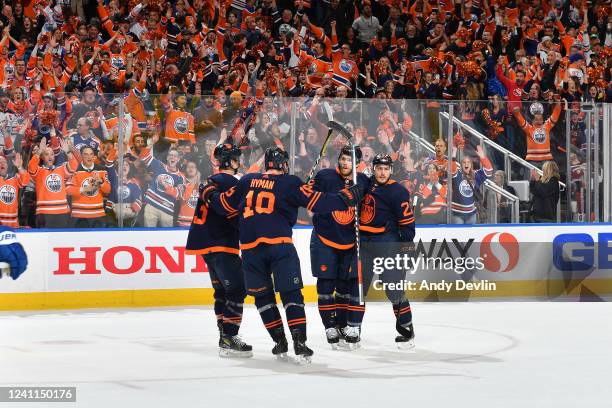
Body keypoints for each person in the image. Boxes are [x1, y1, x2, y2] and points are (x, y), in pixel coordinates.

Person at [207, 146, 360, 363]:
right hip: (279, 245)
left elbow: (222, 205)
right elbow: (319, 203)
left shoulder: (247, 180)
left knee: (263, 298)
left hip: (250, 250)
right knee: (291, 295)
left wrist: (208, 192)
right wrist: (344, 198)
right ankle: (299, 342)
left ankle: (279, 341)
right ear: (284, 165)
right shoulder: (290, 183)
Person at [186, 144, 252, 358]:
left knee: (223, 291)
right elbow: (232, 213)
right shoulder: (232, 182)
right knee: (237, 289)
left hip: (206, 244)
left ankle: (224, 336)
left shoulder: (211, 181)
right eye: (236, 159)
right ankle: (229, 337)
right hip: (222, 243)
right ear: (232, 162)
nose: (239, 162)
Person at [349, 154, 416, 349]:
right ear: (374, 169)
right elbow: (354, 178)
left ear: (391, 170)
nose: (382, 172)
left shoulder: (398, 192)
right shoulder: (366, 183)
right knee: (358, 286)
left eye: (386, 169)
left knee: (394, 290)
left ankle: (406, 330)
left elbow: (408, 225)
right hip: (365, 243)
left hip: (388, 244)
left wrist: (406, 250)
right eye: (379, 168)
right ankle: (353, 329)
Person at [310, 145, 369, 348]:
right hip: (325, 238)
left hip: (351, 241)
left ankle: (345, 326)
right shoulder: (325, 176)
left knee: (346, 287)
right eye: (343, 158)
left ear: (357, 163)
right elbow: (310, 201)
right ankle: (330, 326)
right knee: (326, 286)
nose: (345, 163)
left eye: (349, 160)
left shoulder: (362, 181)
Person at [67, 146, 111, 228]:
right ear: (81, 156)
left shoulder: (101, 170)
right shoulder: (75, 170)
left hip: (97, 214)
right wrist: (84, 189)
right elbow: (68, 190)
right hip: (79, 215)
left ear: (94, 156)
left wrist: (101, 182)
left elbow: (107, 190)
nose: (89, 157)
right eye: (86, 154)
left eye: (91, 154)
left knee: (98, 240)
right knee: (80, 241)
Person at [451, 145, 492, 224]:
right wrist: (454, 152)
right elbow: (452, 169)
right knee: (460, 235)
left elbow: (489, 171)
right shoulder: (457, 174)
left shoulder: (476, 175)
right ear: (461, 164)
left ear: (471, 165)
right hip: (458, 213)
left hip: (471, 213)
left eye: (468, 162)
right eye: (464, 162)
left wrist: (483, 157)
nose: (466, 164)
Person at [0, 153, 29, 227]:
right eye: (0, 162)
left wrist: (19, 167)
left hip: (13, 222)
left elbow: (25, 181)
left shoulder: (14, 178)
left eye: (4, 162)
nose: (2, 164)